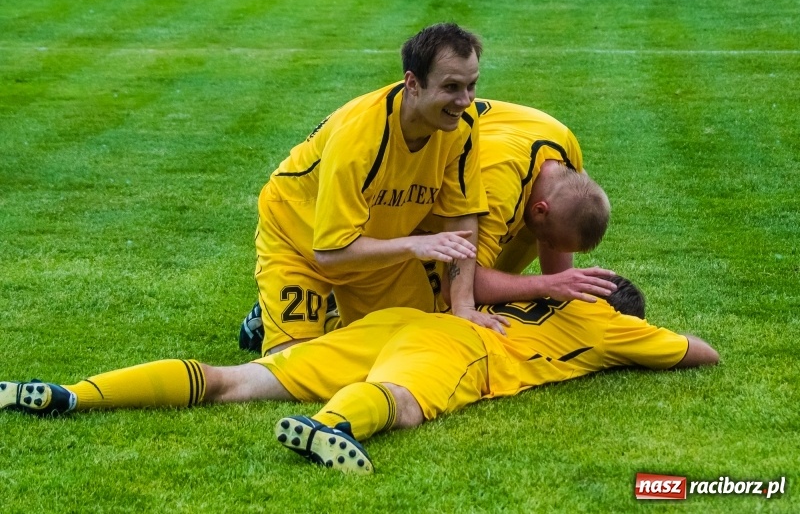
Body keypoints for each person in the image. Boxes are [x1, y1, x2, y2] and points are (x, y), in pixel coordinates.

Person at [2, 276, 719, 475]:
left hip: (398, 320)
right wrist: (625, 332)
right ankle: (330, 426)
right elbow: (700, 350)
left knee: (234, 378)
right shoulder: (608, 322)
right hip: (453, 347)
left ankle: (73, 393)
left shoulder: (526, 286)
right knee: (404, 401)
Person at [239, 22, 508, 356]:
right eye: (452, 87)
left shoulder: (462, 125)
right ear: (413, 83)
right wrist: (414, 245)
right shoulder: (358, 138)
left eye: (472, 85)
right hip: (300, 240)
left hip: (376, 247)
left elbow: (462, 216)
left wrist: (464, 305)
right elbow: (329, 253)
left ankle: (332, 313)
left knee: (411, 345)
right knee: (294, 366)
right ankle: (279, 318)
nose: (465, 100)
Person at [419, 98, 618, 308]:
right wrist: (547, 285)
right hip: (403, 186)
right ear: (540, 209)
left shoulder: (566, 147)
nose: (552, 247)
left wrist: (564, 282)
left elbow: (558, 273)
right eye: (550, 242)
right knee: (427, 307)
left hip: (474, 146)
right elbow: (458, 288)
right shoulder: (496, 196)